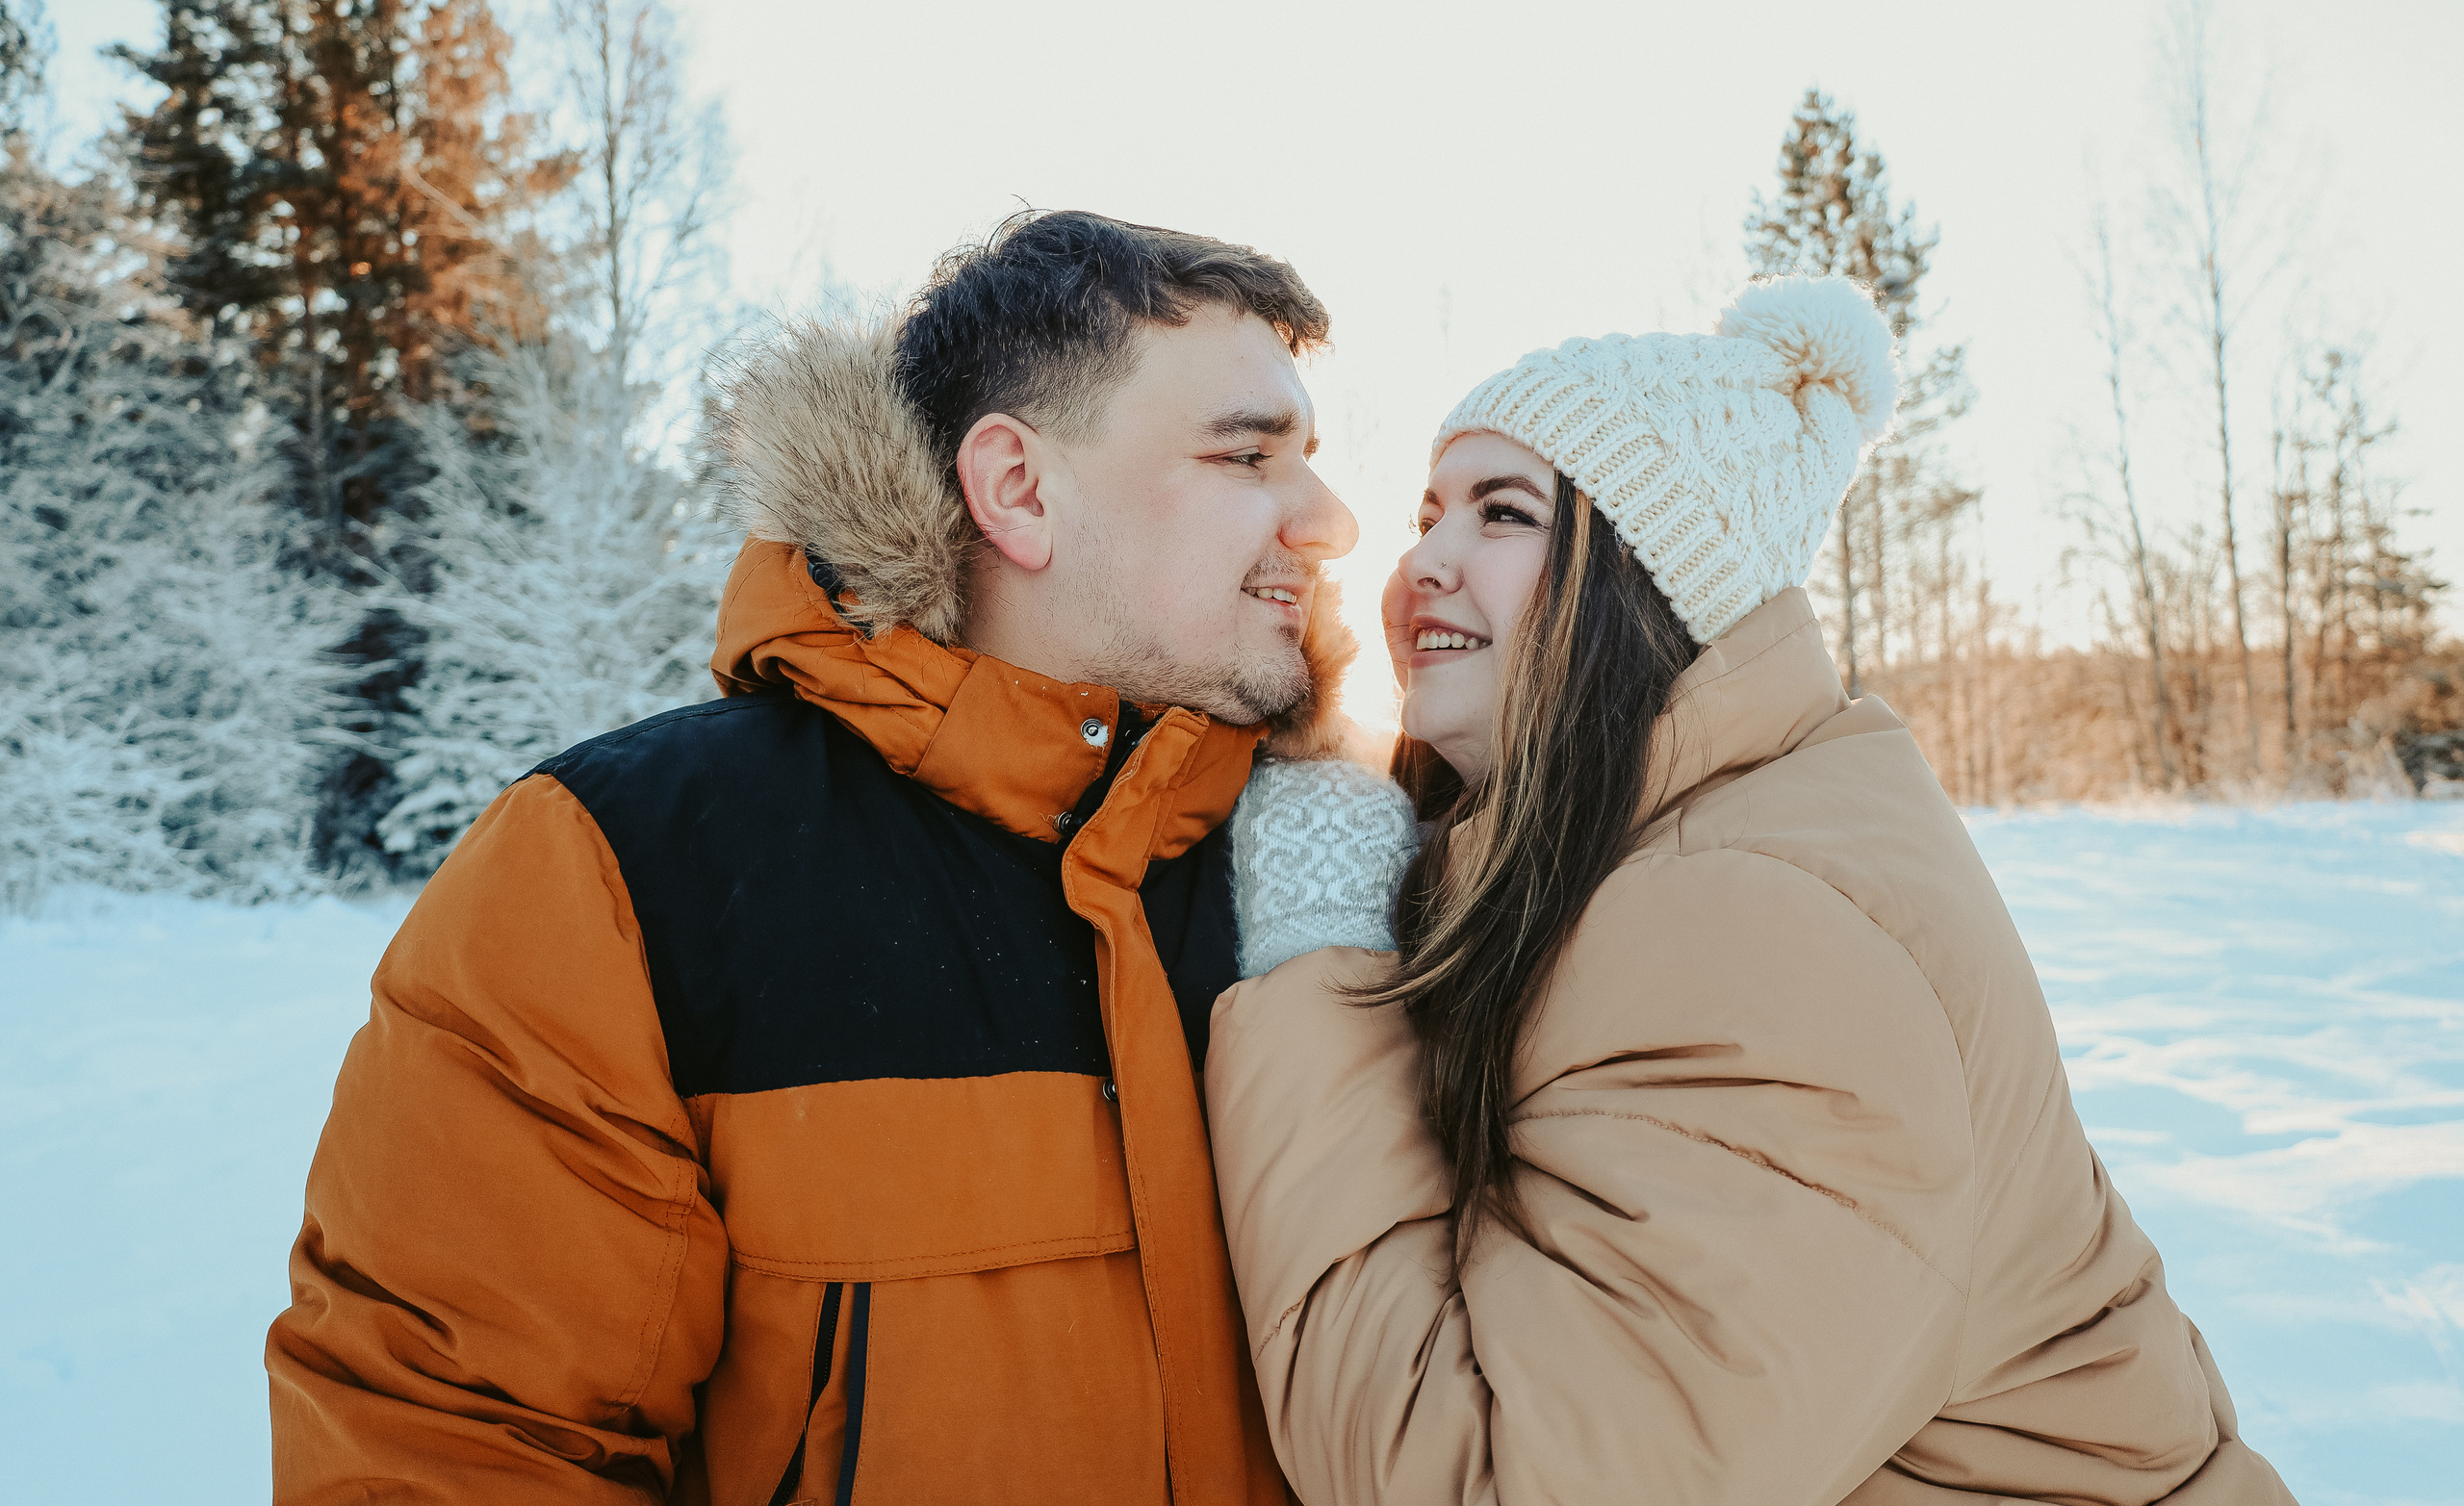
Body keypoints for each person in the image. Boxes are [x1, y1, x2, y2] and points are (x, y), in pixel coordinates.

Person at [267, 211, 1367, 1504]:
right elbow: (450, 1447)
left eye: (1311, 457)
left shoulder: (1362, 857)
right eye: (1249, 454)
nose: (1331, 519)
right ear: (1016, 486)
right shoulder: (625, 870)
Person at [1206, 276, 2298, 1505]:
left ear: (1651, 583)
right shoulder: (1669, 847)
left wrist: (1319, 959)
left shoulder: (1754, 926)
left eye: (1503, 516)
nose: (1422, 563)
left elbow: (1499, 1480)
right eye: (1430, 510)